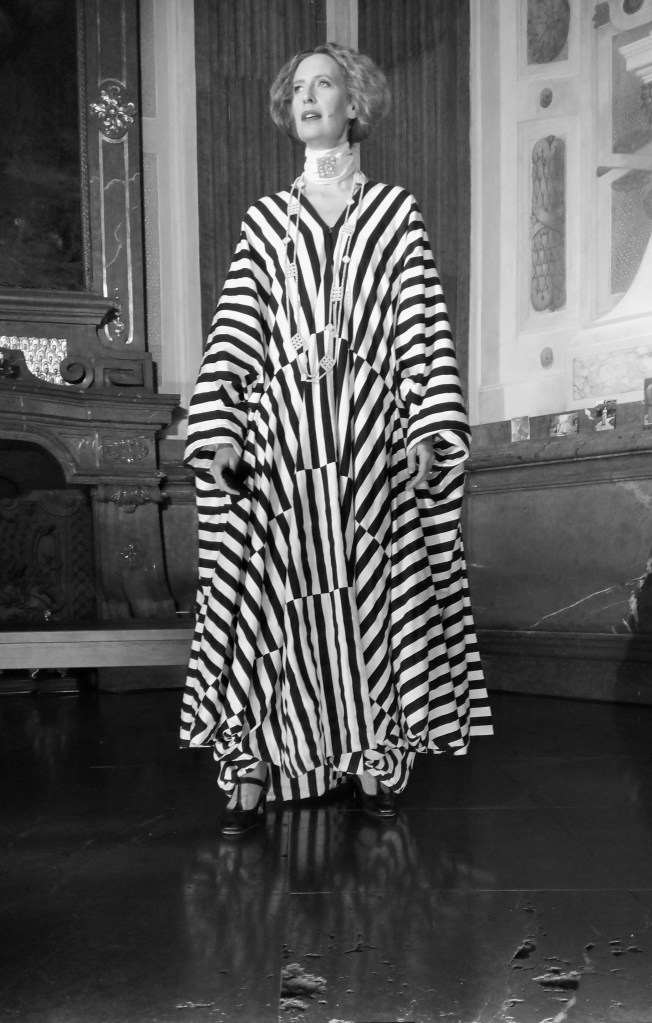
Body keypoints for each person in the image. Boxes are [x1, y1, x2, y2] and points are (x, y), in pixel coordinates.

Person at [180, 42, 492, 837]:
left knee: (373, 598)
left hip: (370, 446)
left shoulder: (394, 213)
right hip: (282, 448)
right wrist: (220, 431)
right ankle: (254, 761)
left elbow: (422, 325)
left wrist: (427, 425)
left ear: (356, 104)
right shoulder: (265, 220)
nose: (309, 98)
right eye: (299, 90)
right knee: (267, 602)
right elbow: (236, 333)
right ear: (288, 112)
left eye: (326, 85)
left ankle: (374, 755)